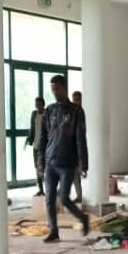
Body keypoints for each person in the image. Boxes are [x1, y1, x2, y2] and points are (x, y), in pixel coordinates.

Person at [38, 74, 90, 243]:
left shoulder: (76, 111)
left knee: (65, 198)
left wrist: (84, 164)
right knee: (49, 199)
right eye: (53, 90)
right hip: (50, 162)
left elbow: (80, 139)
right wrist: (41, 161)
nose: (55, 93)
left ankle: (83, 218)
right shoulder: (50, 110)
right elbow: (43, 138)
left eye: (58, 89)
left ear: (65, 88)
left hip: (67, 164)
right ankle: (54, 231)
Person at [28, 96, 46, 195]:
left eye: (39, 104)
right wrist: (29, 139)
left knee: (46, 168)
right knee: (37, 167)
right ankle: (41, 189)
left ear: (43, 104)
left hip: (46, 146)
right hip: (36, 145)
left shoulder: (47, 114)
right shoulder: (34, 114)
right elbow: (32, 127)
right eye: (36, 104)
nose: (37, 106)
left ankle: (50, 189)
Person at [71, 90, 84, 202]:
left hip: (79, 148)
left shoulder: (81, 112)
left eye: (77, 99)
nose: (75, 102)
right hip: (70, 148)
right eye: (74, 99)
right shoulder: (71, 112)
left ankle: (79, 196)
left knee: (76, 175)